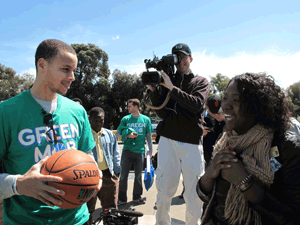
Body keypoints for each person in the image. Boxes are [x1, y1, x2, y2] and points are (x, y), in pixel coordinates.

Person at [0, 39, 101, 225]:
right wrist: (18, 184)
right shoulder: (5, 112)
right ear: (42, 65)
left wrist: (94, 176)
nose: (72, 77)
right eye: (65, 69)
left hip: (77, 220)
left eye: (74, 70)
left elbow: (88, 158)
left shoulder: (77, 111)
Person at [197, 73, 300, 224]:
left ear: (259, 106)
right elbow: (205, 196)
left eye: (236, 100)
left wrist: (244, 182)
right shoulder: (226, 138)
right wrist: (210, 173)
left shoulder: (285, 144)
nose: (225, 105)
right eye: (225, 98)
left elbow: (293, 218)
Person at [146, 43, 210, 225]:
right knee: (164, 189)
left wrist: (172, 88)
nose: (180, 61)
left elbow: (196, 104)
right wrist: (155, 91)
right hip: (168, 140)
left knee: (193, 193)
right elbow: (162, 113)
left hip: (190, 142)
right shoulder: (168, 80)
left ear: (191, 58)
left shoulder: (200, 81)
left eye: (183, 57)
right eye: (176, 58)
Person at [86, 107, 121, 224]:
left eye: (102, 120)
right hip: (90, 177)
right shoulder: (85, 135)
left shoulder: (109, 134)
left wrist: (116, 170)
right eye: (96, 120)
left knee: (110, 209)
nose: (99, 123)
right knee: (88, 209)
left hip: (108, 175)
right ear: (89, 119)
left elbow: (116, 152)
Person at [117, 99, 153, 204]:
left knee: (138, 176)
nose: (127, 108)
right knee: (123, 176)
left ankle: (137, 197)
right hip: (127, 151)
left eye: (129, 106)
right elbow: (118, 134)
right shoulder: (125, 119)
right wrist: (128, 136)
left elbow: (149, 136)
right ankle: (122, 199)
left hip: (140, 151)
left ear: (136, 107)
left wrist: (150, 150)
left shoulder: (146, 120)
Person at [203, 95, 226, 165]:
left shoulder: (224, 117)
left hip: (220, 158)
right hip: (207, 158)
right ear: (207, 108)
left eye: (218, 111)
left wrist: (223, 121)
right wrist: (201, 133)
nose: (216, 114)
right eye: (213, 112)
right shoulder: (201, 118)